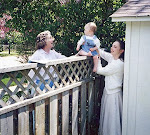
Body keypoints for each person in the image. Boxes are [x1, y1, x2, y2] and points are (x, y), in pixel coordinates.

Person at [97, 40, 125, 135]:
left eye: (115, 47)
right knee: (108, 118)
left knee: (112, 118)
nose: (112, 48)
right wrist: (96, 48)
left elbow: (100, 70)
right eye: (112, 46)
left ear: (121, 51)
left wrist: (97, 59)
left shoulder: (118, 64)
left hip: (113, 95)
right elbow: (104, 54)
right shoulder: (113, 59)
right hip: (109, 92)